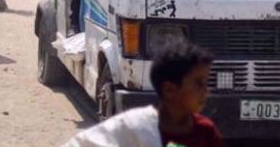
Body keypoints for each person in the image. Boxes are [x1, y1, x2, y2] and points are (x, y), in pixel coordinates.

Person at [64, 41, 221, 147]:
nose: (206, 91)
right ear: (169, 89)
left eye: (206, 83)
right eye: (198, 83)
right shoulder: (135, 127)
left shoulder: (205, 131)